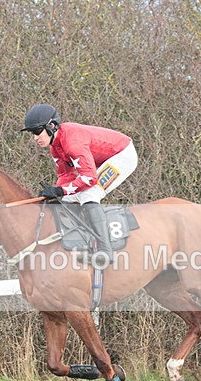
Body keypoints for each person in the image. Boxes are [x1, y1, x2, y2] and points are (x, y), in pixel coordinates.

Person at [20, 103, 138, 266]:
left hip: (123, 154)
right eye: (32, 133)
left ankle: (105, 250)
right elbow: (65, 175)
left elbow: (89, 178)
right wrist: (56, 193)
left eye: (37, 131)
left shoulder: (72, 143)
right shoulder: (55, 147)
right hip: (101, 160)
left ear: (51, 126)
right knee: (67, 199)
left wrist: (60, 190)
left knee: (90, 193)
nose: (35, 137)